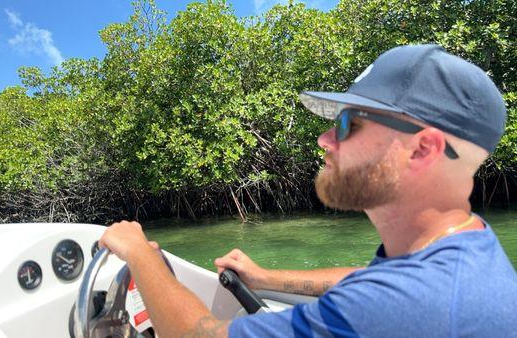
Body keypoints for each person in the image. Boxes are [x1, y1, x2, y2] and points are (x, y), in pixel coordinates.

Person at [99, 44, 517, 337]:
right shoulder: (465, 240)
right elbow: (370, 279)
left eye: (348, 123)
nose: (324, 139)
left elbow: (194, 335)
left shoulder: (402, 307)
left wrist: (139, 253)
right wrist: (267, 277)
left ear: (422, 148)